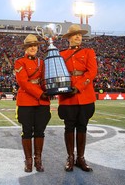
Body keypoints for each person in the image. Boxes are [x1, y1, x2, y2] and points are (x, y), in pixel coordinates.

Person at [58, 24, 97, 172]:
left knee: (82, 126)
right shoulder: (61, 55)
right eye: (74, 34)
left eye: (79, 34)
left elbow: (91, 72)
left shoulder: (88, 52)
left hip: (85, 95)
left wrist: (78, 86)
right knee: (69, 127)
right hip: (67, 96)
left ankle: (81, 158)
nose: (78, 37)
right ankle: (70, 157)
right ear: (68, 38)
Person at [14, 34, 51, 173]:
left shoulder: (42, 63)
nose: (33, 48)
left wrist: (50, 90)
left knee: (40, 131)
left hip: (42, 102)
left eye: (35, 45)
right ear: (25, 48)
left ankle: (38, 159)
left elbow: (45, 80)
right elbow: (23, 83)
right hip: (26, 101)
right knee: (27, 131)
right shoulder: (19, 62)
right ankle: (28, 160)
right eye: (30, 46)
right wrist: (40, 93)